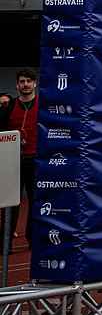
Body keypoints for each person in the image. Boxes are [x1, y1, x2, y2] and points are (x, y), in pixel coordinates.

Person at [0, 68, 39, 246]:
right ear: (17, 85)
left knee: (35, 201)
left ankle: (33, 239)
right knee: (11, 203)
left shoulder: (44, 105)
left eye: (29, 81)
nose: (25, 85)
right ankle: (5, 241)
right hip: (13, 161)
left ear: (35, 84)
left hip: (36, 160)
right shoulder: (9, 108)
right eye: (22, 81)